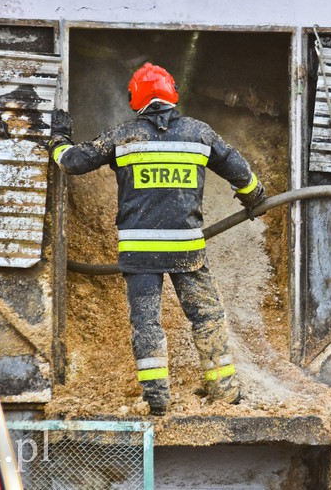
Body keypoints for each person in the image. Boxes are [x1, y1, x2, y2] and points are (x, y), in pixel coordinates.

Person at [47, 63, 266, 415]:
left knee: (146, 323)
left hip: (140, 252)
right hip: (186, 250)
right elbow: (239, 169)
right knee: (206, 316)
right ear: (172, 94)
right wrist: (254, 198)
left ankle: (157, 399)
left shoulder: (123, 136)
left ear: (136, 99)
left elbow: (72, 162)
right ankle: (224, 392)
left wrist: (58, 138)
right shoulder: (199, 133)